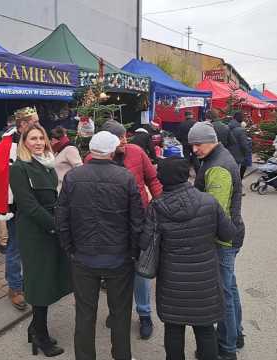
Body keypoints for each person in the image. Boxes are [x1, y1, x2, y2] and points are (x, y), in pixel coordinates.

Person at [57, 131, 144, 360]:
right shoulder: (125, 177)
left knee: (85, 314)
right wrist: (133, 252)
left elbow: (62, 217)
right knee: (121, 313)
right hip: (119, 257)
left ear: (91, 150)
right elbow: (137, 220)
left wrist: (70, 249)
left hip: (83, 256)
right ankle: (122, 356)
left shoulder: (73, 177)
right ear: (113, 150)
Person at [140, 157, 236, 360]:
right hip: (205, 281)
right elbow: (228, 234)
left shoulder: (156, 207)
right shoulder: (209, 201)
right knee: (205, 328)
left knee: (174, 330)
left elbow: (145, 243)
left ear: (162, 179)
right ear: (187, 175)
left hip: (172, 281)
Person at [98, 120, 162, 339]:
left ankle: (144, 314)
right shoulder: (94, 158)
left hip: (140, 220)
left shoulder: (136, 152)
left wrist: (160, 205)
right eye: (120, 138)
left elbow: (152, 179)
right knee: (115, 271)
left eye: (126, 136)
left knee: (141, 270)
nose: (125, 140)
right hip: (112, 226)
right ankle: (117, 312)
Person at [10, 124, 70, 357]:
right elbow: (28, 205)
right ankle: (40, 334)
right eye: (32, 138)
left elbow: (55, 196)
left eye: (41, 138)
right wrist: (55, 226)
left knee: (47, 279)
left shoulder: (47, 164)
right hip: (35, 232)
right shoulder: (19, 168)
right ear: (24, 142)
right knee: (39, 282)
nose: (38, 142)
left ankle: (35, 328)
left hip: (50, 226)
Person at [188, 122, 245, 360]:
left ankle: (226, 347)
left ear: (211, 140)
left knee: (222, 295)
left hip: (223, 241)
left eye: (198, 144)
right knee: (229, 287)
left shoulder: (218, 167)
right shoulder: (216, 158)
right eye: (192, 145)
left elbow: (215, 212)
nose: (194, 150)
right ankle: (236, 335)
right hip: (231, 234)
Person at [0, 106, 39, 311]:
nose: (38, 125)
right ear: (23, 124)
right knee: (15, 247)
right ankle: (15, 287)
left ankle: (28, 282)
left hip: (35, 202)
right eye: (34, 121)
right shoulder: (6, 144)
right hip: (16, 205)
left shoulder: (36, 139)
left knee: (31, 246)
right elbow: (2, 176)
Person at [50, 126, 83, 193]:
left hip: (65, 190)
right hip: (57, 189)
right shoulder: (58, 150)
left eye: (51, 140)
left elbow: (80, 169)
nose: (50, 142)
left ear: (55, 139)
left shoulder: (70, 149)